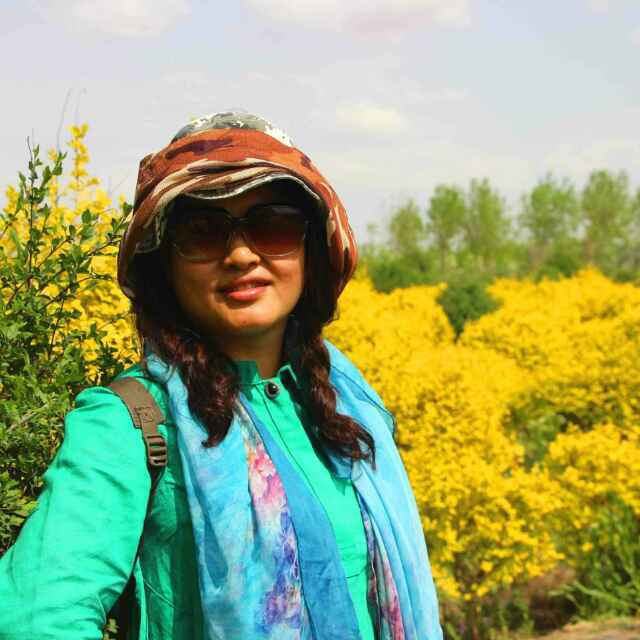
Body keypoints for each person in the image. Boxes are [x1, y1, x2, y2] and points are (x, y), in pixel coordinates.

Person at [0, 112, 443, 640]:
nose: (240, 254)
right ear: (165, 264)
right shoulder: (131, 423)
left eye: (273, 225)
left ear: (310, 251)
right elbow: (33, 619)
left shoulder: (343, 404)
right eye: (202, 232)